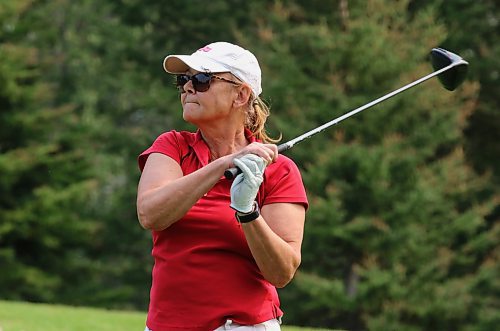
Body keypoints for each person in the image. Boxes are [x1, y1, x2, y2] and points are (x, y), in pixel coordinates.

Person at [136, 41, 308, 331]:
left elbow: (281, 272)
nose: (188, 88)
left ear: (240, 94)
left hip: (244, 326)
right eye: (184, 80)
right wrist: (223, 165)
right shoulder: (172, 146)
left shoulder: (278, 170)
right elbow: (150, 214)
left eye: (202, 79)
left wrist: (247, 212)